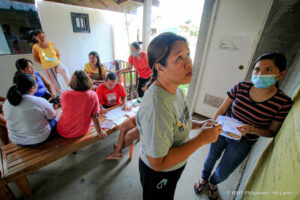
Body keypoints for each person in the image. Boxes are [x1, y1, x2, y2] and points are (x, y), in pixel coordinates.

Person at [194, 52, 293, 200]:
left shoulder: (283, 102)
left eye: (268, 70)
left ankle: (213, 183)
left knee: (225, 170)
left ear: (280, 74)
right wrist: (212, 126)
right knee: (212, 156)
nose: (260, 74)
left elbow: (272, 131)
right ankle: (203, 178)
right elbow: (222, 110)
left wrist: (252, 129)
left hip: (244, 142)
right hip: (222, 131)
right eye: (257, 69)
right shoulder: (241, 87)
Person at [136, 32, 223, 200]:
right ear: (159, 67)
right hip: (159, 173)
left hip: (175, 165)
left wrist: (198, 124)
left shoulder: (175, 89)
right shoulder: (157, 107)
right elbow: (158, 163)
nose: (188, 62)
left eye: (187, 55)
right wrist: (201, 139)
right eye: (179, 58)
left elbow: (179, 120)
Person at [2, 73, 57, 146]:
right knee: (55, 119)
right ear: (32, 88)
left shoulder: (7, 102)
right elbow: (52, 116)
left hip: (17, 140)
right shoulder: (39, 101)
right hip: (39, 139)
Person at [56, 70, 107, 139]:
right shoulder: (93, 95)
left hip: (64, 132)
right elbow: (95, 116)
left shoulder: (65, 95)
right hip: (82, 131)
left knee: (57, 115)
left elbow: (64, 109)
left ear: (73, 82)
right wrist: (100, 132)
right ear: (88, 81)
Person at [31, 29, 69, 94]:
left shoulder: (50, 44)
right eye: (40, 37)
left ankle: (73, 89)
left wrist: (55, 62)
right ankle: (62, 96)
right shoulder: (35, 47)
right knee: (55, 84)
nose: (43, 38)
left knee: (65, 73)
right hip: (48, 67)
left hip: (57, 64)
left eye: (44, 36)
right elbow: (36, 59)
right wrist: (45, 63)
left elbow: (58, 54)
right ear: (35, 37)